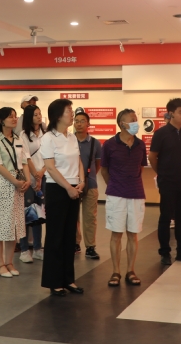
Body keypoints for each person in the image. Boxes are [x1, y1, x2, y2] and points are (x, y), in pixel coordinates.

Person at [40, 98, 85, 296]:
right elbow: (50, 167)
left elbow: (79, 161)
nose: (72, 114)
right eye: (68, 110)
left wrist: (81, 181)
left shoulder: (72, 137)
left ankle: (68, 279)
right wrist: (68, 187)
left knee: (69, 236)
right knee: (55, 236)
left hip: (74, 188)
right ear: (58, 115)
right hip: (58, 189)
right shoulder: (49, 138)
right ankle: (54, 281)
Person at [149, 97, 181, 265]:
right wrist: (162, 173)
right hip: (168, 183)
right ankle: (165, 253)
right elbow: (152, 157)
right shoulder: (161, 134)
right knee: (165, 218)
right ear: (171, 114)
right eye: (180, 112)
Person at [101, 109, 147, 287]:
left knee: (133, 234)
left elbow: (140, 168)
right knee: (116, 234)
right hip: (116, 195)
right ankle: (116, 272)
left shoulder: (140, 145)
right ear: (122, 124)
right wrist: (115, 185)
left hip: (136, 194)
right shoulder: (109, 145)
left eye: (136, 119)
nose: (136, 123)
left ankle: (130, 270)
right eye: (132, 120)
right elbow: (104, 170)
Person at [0, 107, 29, 278]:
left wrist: (27, 180)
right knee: (0, 225)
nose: (14, 119)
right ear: (1, 120)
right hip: (3, 183)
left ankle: (9, 262)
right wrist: (15, 181)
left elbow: (25, 162)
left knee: (14, 225)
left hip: (18, 184)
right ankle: (0, 265)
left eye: (15, 116)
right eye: (10, 117)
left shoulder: (19, 139)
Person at [18, 104, 46, 263]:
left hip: (44, 176)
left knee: (39, 214)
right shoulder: (23, 135)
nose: (39, 116)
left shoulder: (45, 134)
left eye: (40, 113)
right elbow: (26, 157)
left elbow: (50, 156)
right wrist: (35, 175)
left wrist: (41, 174)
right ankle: (23, 250)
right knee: (26, 213)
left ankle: (37, 249)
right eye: (36, 114)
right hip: (28, 177)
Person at [73, 111, 101, 259]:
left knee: (90, 217)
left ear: (88, 124)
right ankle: (75, 243)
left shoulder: (95, 143)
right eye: (76, 121)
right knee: (73, 216)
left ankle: (90, 246)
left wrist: (88, 176)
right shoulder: (69, 140)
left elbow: (98, 164)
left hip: (90, 183)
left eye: (82, 121)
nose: (79, 124)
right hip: (72, 184)